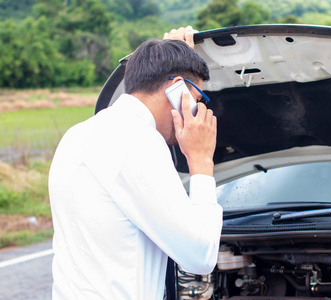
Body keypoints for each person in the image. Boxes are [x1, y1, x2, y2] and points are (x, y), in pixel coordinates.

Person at [48, 26, 223, 299]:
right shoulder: (138, 141)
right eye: (197, 100)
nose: (196, 112)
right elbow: (200, 256)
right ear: (178, 90)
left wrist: (173, 56)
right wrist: (200, 159)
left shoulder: (78, 134)